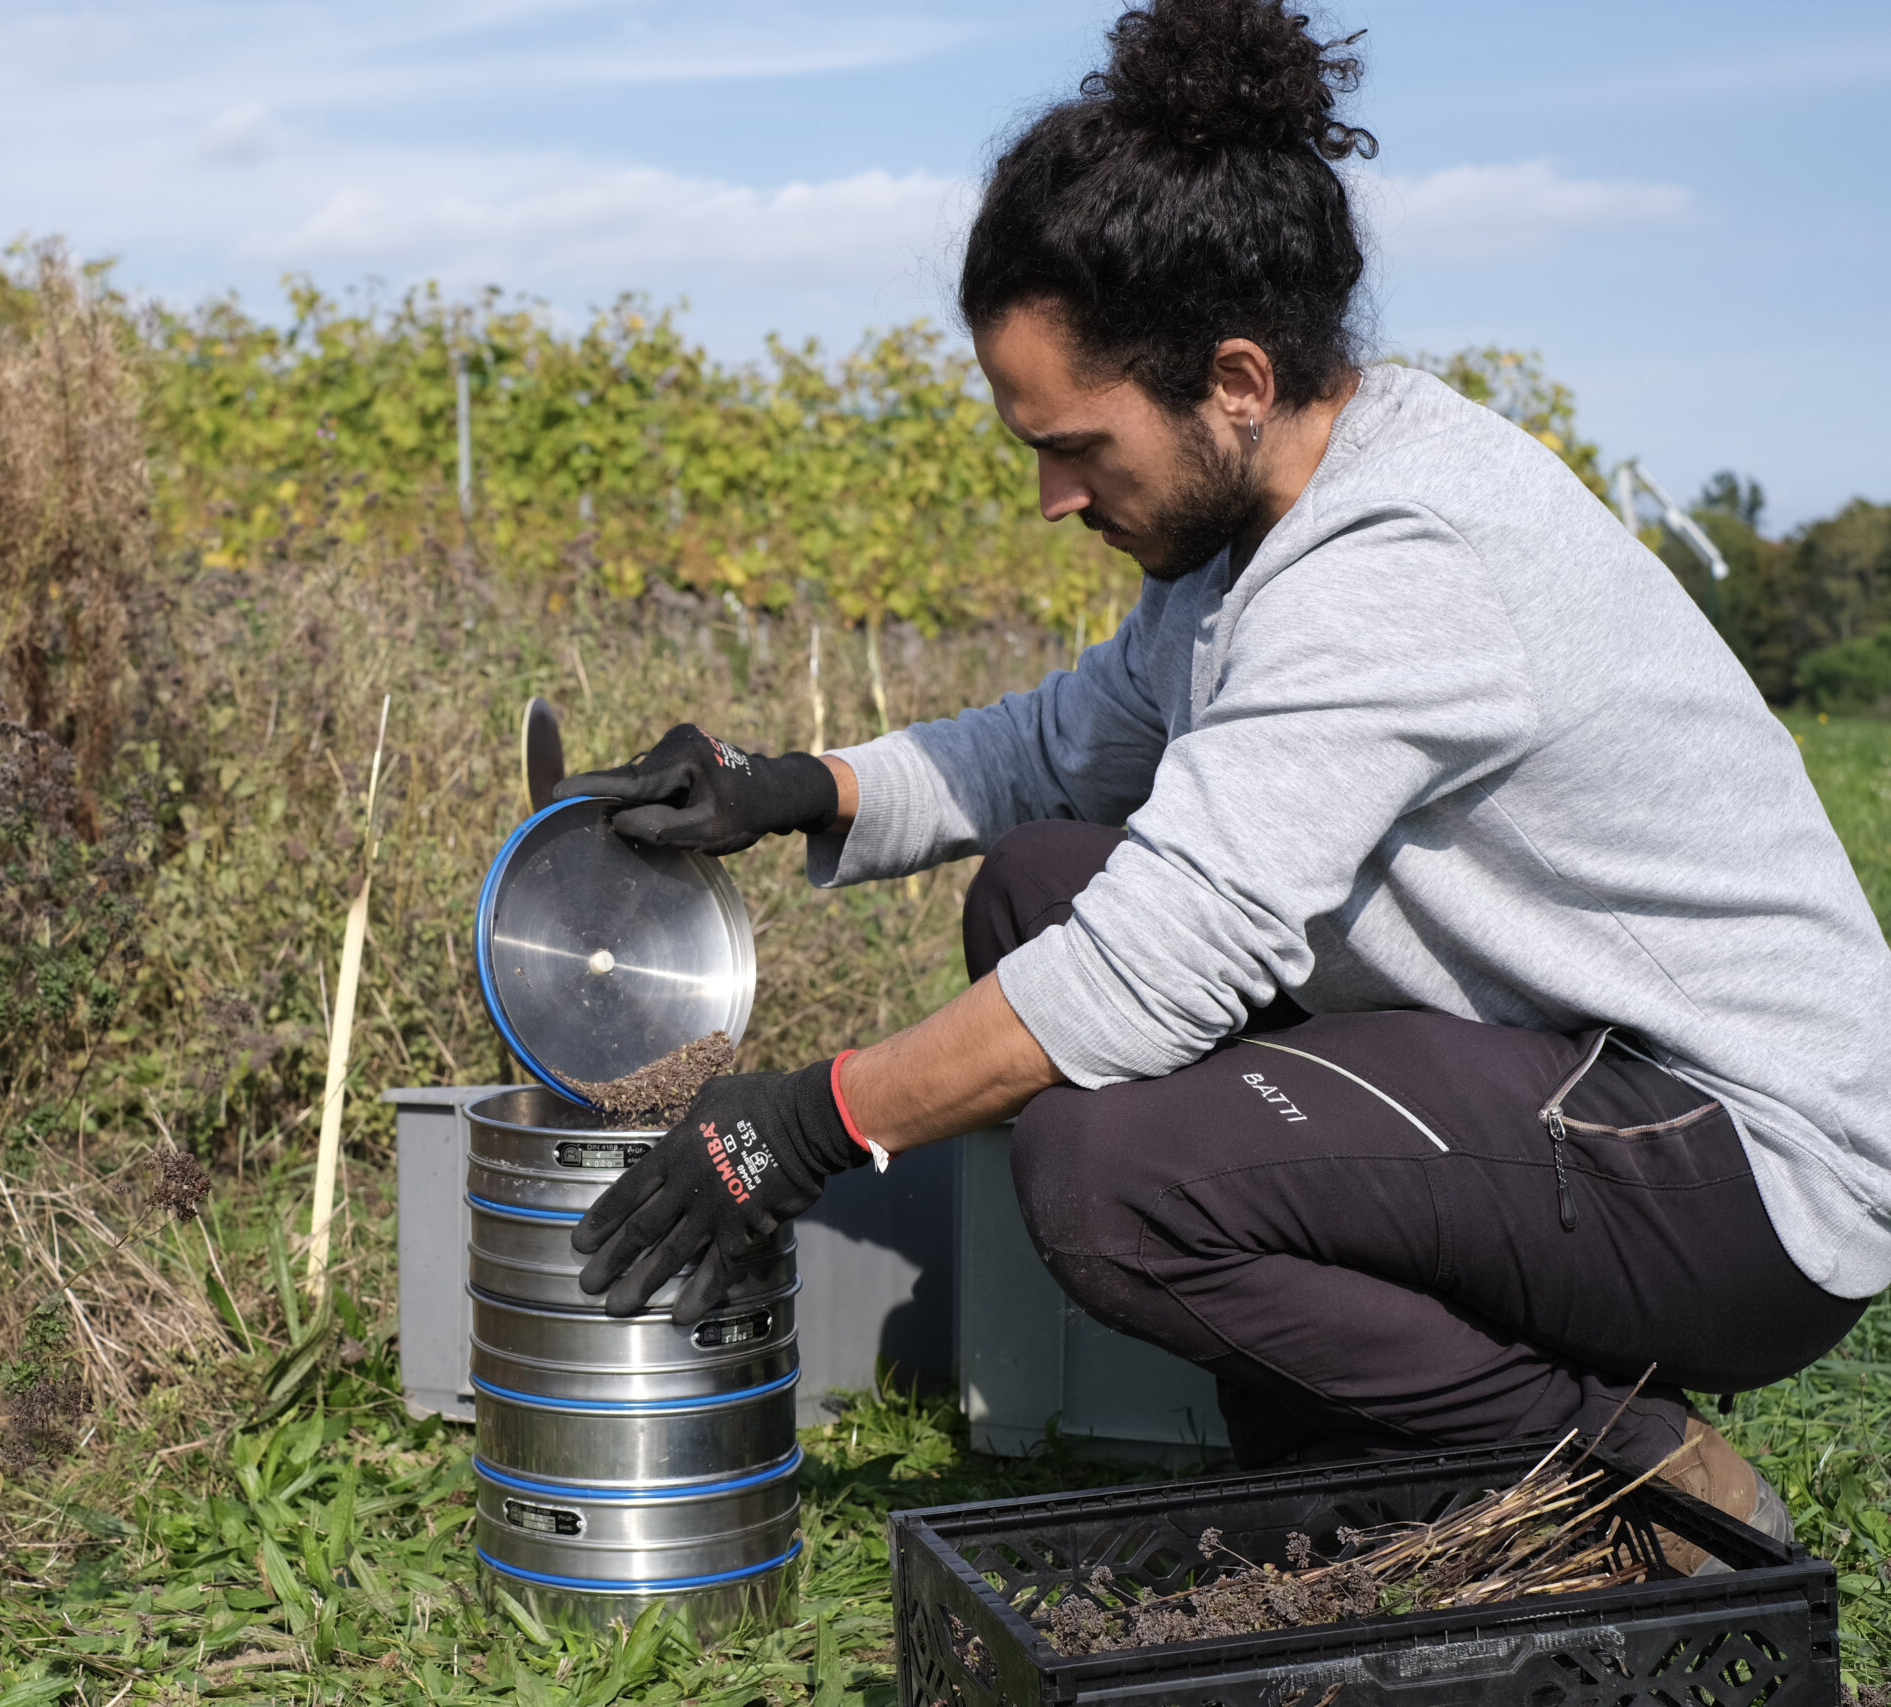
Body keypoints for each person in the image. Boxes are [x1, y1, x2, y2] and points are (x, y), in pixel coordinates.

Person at [556, 0, 1888, 1572]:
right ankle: (1367, 1441)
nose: (1053, 496)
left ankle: (1628, 1472)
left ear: (1236, 379)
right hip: (1567, 1079)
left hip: (1733, 1170)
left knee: (1113, 1181)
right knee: (1035, 882)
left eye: (1076, 446)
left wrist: (804, 1126)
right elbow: (1061, 746)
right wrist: (796, 786)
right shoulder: (1253, 536)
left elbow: (1158, 967)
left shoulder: (1396, 565)